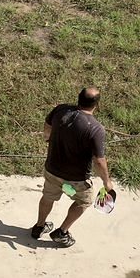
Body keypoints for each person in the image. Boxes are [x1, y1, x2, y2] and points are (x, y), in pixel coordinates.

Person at [30, 87, 113, 248]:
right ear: (97, 104)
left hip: (52, 171)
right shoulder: (95, 129)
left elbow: (47, 126)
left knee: (48, 196)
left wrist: (48, 139)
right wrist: (106, 182)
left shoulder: (61, 110)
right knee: (83, 201)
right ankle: (62, 232)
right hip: (75, 180)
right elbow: (99, 161)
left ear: (79, 98)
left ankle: (39, 226)